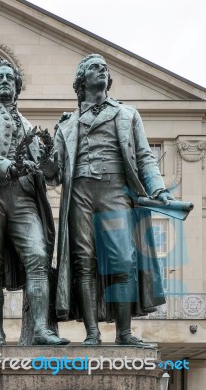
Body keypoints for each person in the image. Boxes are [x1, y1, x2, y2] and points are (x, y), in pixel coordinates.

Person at [49, 54, 174, 346]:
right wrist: (43, 162)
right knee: (83, 263)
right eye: (95, 67)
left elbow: (145, 157)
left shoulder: (128, 113)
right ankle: (92, 333)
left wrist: (157, 189)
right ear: (81, 80)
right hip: (80, 193)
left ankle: (124, 333)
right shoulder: (66, 123)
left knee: (123, 261)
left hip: (116, 190)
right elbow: (53, 175)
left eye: (105, 68)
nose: (102, 70)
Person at [0, 59, 69, 346]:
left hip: (24, 199)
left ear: (18, 87)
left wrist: (50, 166)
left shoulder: (30, 127)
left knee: (38, 256)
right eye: (0, 78)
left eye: (11, 78)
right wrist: (4, 165)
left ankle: (41, 330)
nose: (6, 81)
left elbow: (49, 175)